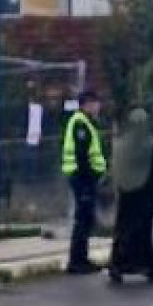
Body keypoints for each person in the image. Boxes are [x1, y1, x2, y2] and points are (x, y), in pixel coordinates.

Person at [108, 108, 153, 284]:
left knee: (124, 232)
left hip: (127, 196)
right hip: (148, 196)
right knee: (150, 233)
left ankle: (118, 265)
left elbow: (116, 169)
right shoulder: (152, 146)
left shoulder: (122, 145)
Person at [61, 91, 107, 275]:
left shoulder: (86, 122)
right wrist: (87, 183)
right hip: (82, 178)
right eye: (95, 103)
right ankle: (76, 261)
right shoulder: (80, 123)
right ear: (87, 104)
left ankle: (81, 258)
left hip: (86, 178)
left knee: (86, 219)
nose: (98, 107)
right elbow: (82, 156)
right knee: (83, 219)